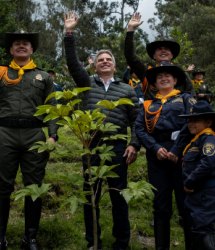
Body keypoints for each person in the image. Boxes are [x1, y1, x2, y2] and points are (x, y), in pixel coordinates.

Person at [0, 30, 58, 250]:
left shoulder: (44, 77)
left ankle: (30, 239)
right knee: (2, 187)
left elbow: (53, 109)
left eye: (26, 43)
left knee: (34, 186)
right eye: (17, 43)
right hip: (5, 134)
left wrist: (53, 135)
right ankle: (0, 239)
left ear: (32, 49)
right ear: (10, 50)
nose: (21, 46)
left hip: (35, 135)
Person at [64, 11, 141, 250]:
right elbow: (73, 63)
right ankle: (92, 242)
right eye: (100, 60)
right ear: (95, 67)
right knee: (91, 197)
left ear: (115, 66)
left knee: (119, 196)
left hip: (118, 148)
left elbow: (136, 121)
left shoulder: (127, 90)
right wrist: (69, 33)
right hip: (92, 146)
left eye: (108, 59)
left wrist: (134, 144)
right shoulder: (87, 83)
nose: (104, 61)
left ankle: (121, 243)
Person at [135, 62, 196, 250]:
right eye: (159, 77)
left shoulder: (186, 99)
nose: (163, 78)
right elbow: (139, 128)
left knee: (186, 204)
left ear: (175, 79)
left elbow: (192, 123)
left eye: (167, 75)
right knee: (160, 205)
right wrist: (154, 148)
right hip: (157, 157)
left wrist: (176, 150)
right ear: (155, 83)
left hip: (182, 155)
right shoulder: (148, 104)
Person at [179, 101, 215, 249]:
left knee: (203, 230)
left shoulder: (209, 139)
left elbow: (207, 164)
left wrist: (189, 182)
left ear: (208, 122)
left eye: (196, 120)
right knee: (196, 231)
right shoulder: (196, 140)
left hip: (206, 195)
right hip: (196, 195)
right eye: (190, 120)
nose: (191, 123)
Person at [125, 12, 196, 101]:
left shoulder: (181, 74)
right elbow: (130, 57)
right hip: (152, 112)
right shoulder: (146, 72)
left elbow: (193, 97)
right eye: (159, 49)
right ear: (154, 56)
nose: (163, 50)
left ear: (172, 55)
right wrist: (130, 29)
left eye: (166, 49)